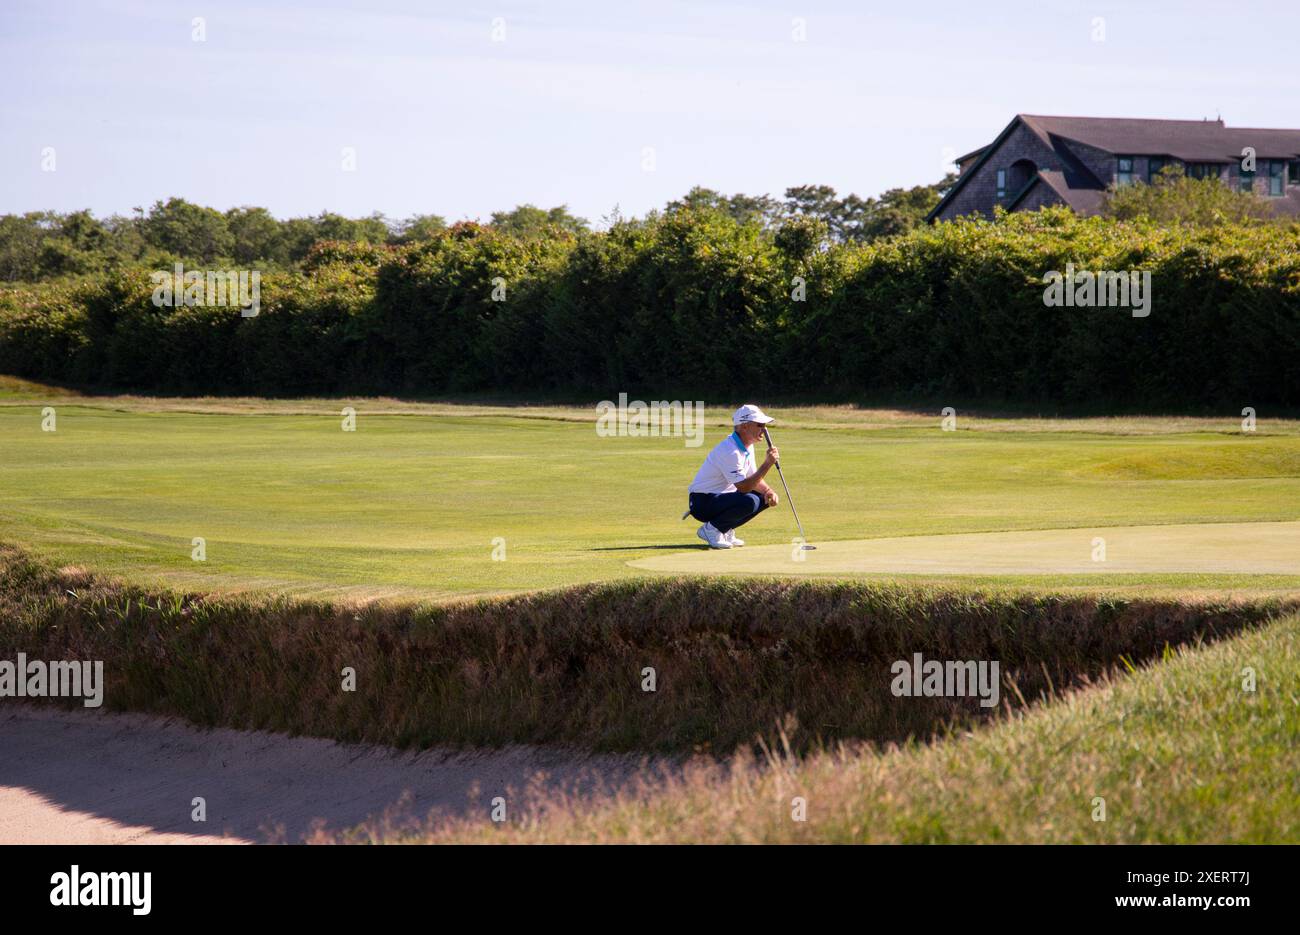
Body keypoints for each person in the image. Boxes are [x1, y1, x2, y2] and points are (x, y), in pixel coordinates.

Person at [685, 404, 780, 549]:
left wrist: (768, 491)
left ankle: (725, 529)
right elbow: (743, 487)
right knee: (750, 500)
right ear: (744, 427)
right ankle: (712, 530)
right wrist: (767, 464)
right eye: (760, 424)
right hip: (702, 502)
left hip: (721, 499)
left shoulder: (748, 445)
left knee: (763, 498)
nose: (764, 429)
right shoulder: (730, 450)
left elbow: (752, 479)